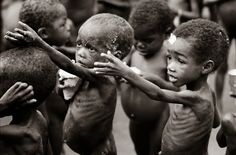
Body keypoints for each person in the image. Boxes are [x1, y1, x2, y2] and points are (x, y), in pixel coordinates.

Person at [93, 19, 229, 155]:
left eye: (180, 61)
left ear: (206, 67)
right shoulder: (208, 93)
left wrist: (125, 72)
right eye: (169, 57)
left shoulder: (196, 98)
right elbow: (215, 123)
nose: (170, 67)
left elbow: (158, 94)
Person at [5, 13, 134, 155]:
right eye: (79, 44)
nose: (81, 53)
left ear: (115, 55)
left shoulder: (103, 78)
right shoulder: (87, 71)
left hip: (98, 149)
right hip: (84, 145)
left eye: (91, 48)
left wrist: (40, 43)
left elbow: (69, 66)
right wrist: (63, 88)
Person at [119, 0, 176, 154]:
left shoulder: (167, 56)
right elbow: (121, 72)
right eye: (136, 39)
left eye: (147, 40)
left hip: (158, 119)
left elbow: (176, 89)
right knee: (140, 150)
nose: (140, 45)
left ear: (166, 34)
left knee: (154, 151)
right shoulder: (132, 53)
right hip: (134, 120)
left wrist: (155, 80)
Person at [18, 0, 70, 154]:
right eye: (63, 24)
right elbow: (47, 121)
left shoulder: (44, 54)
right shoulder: (40, 65)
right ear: (44, 34)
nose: (69, 26)